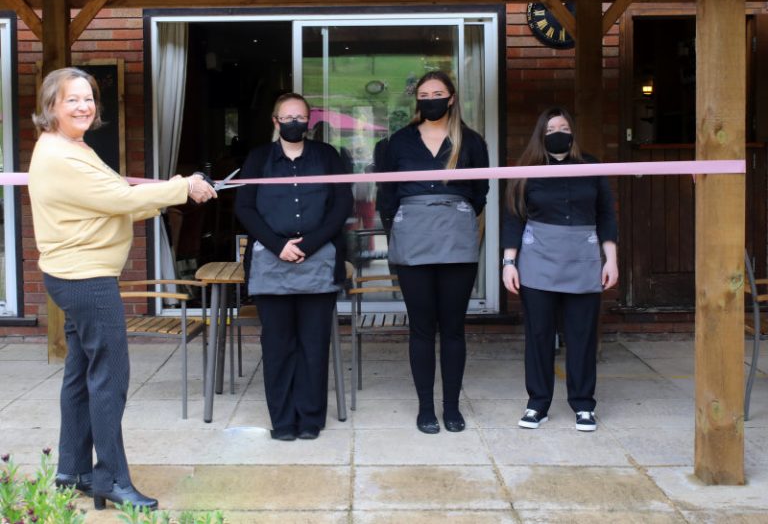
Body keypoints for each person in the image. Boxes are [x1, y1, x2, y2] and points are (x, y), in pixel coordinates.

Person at [27, 67, 217, 511]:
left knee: (81, 374)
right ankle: (110, 477)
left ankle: (72, 470)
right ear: (51, 106)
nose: (84, 106)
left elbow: (113, 199)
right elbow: (121, 199)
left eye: (89, 98)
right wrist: (183, 186)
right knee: (110, 379)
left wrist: (166, 195)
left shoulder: (71, 146)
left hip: (74, 275)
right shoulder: (61, 155)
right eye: (72, 99)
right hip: (86, 280)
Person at [235, 93, 353, 441]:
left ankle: (310, 419)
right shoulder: (258, 158)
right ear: (275, 121)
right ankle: (283, 421)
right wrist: (277, 245)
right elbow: (244, 207)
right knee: (278, 347)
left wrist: (310, 243)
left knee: (314, 346)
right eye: (287, 117)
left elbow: (341, 204)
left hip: (318, 260)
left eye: (300, 117)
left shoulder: (327, 156)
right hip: (271, 262)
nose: (294, 123)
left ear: (309, 120)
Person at [379, 71, 489, 434]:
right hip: (412, 239)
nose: (431, 100)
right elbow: (387, 196)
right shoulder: (398, 142)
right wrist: (401, 229)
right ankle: (426, 407)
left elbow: (480, 193)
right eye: (424, 95)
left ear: (451, 98)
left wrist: (452, 215)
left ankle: (452, 407)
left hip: (457, 238)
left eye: (437, 94)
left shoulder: (471, 141)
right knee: (421, 328)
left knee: (453, 328)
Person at [501, 107, 618, 432]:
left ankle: (583, 404)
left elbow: (606, 214)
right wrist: (509, 263)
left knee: (582, 335)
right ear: (541, 134)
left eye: (564, 128)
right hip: (537, 260)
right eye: (551, 129)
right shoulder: (527, 169)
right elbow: (513, 217)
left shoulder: (591, 166)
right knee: (539, 335)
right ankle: (537, 404)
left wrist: (611, 258)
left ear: (573, 132)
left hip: (583, 259)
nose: (558, 133)